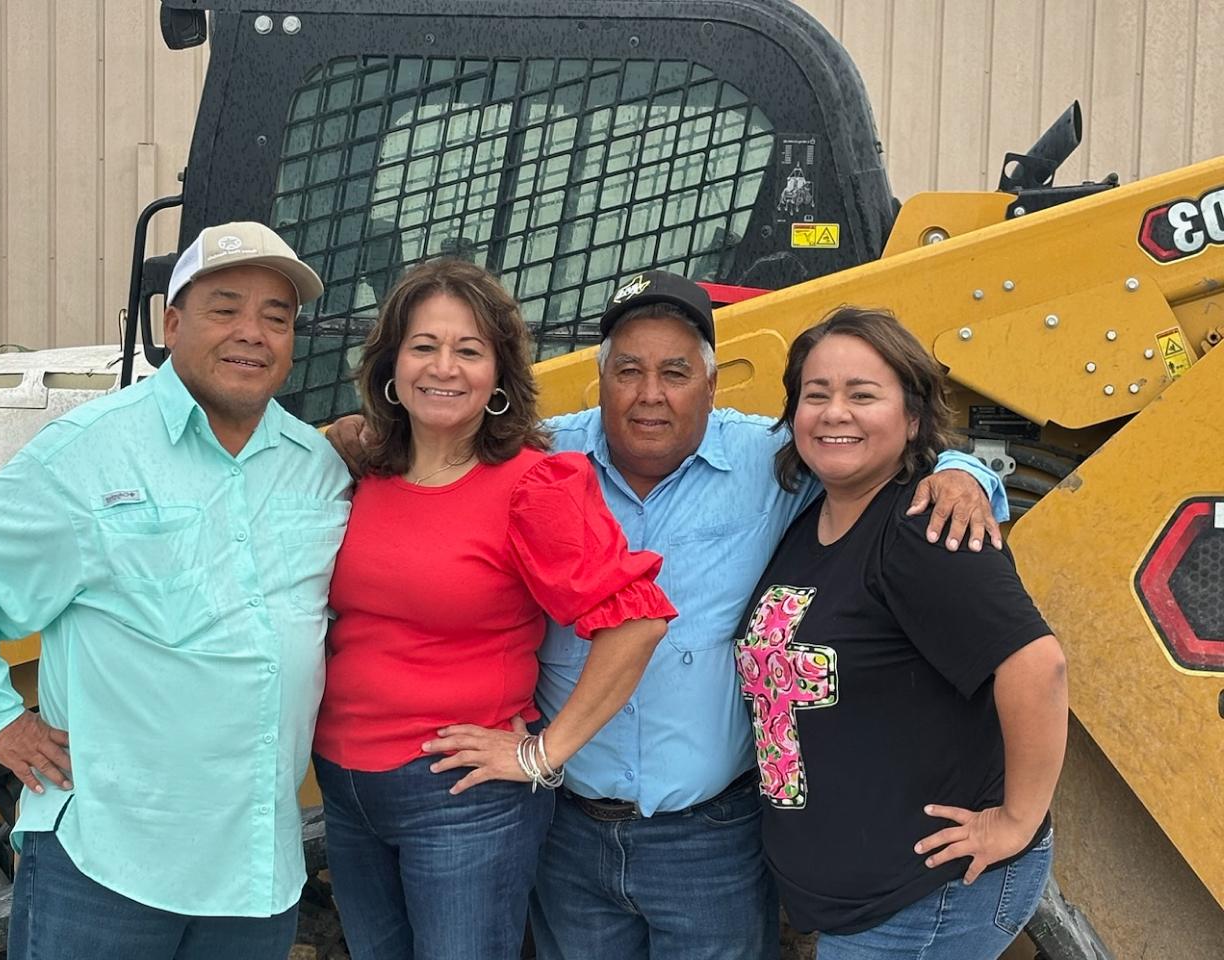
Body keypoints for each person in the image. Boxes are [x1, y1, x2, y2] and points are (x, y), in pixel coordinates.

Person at [327, 269, 1006, 960]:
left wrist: (959, 471)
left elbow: (863, 445)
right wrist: (358, 433)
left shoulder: (767, 463)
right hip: (571, 834)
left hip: (709, 839)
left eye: (676, 372)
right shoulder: (540, 458)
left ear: (712, 386)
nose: (650, 393)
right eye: (629, 370)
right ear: (601, 380)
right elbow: (429, 457)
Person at [0, 221, 350, 960]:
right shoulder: (90, 453)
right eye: (226, 309)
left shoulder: (317, 468)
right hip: (108, 864)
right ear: (172, 324)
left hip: (253, 869)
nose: (252, 333)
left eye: (277, 318)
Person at [311, 258, 677, 960]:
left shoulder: (532, 485)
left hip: (459, 799)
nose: (443, 368)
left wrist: (542, 754)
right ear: (391, 364)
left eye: (469, 350)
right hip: (346, 788)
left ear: (499, 376)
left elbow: (637, 620)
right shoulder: (361, 470)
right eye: (424, 346)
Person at [734, 306, 1067, 958]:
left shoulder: (922, 528)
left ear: (912, 417)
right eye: (816, 394)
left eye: (863, 395)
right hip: (861, 902)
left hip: (925, 898)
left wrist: (1016, 821)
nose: (835, 413)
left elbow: (1038, 665)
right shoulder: (813, 522)